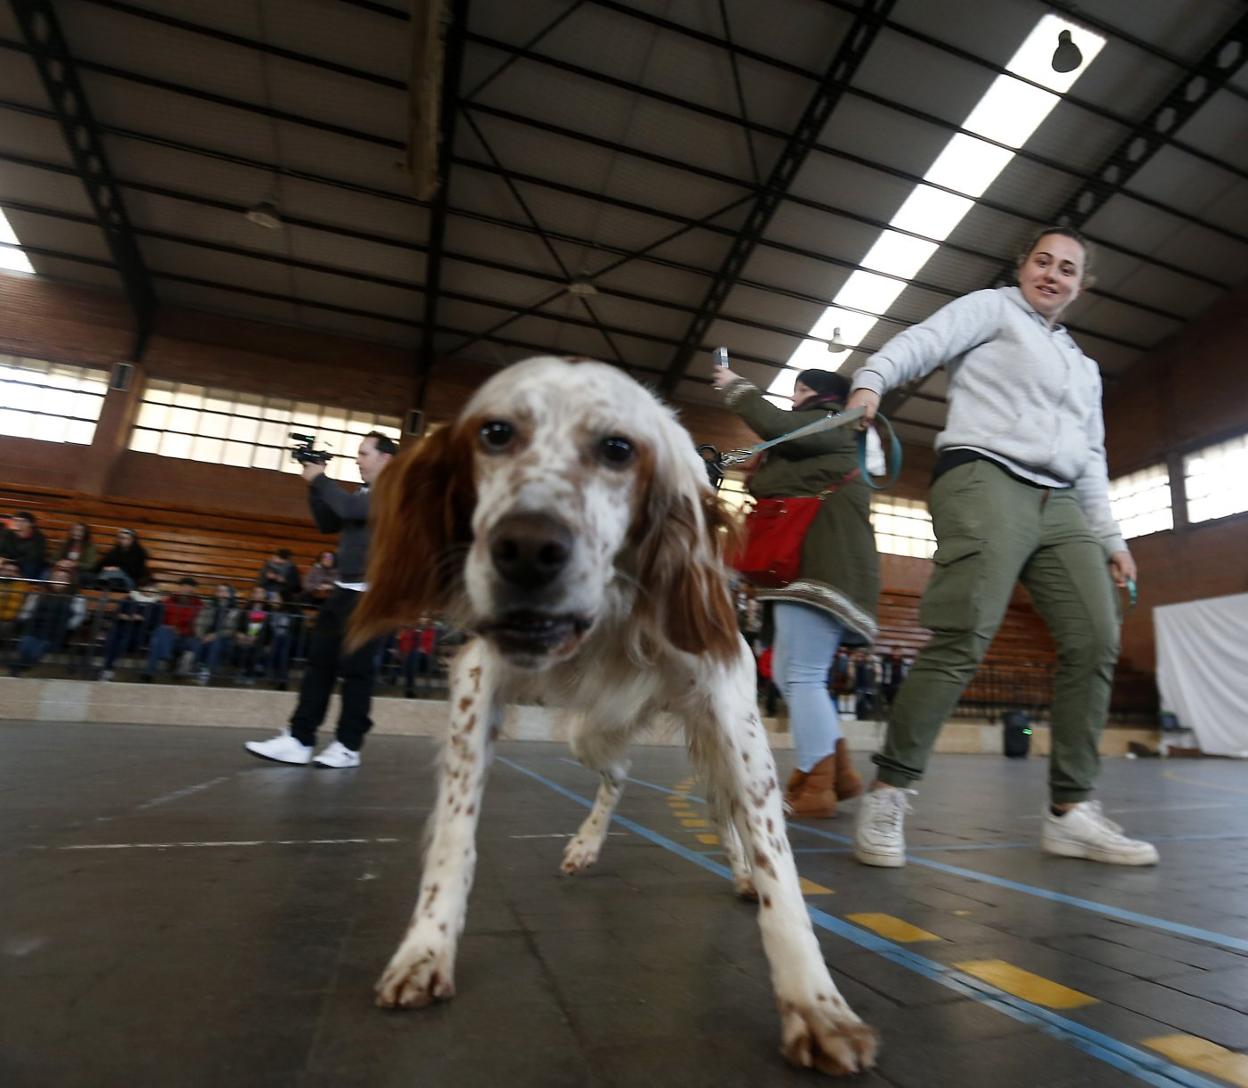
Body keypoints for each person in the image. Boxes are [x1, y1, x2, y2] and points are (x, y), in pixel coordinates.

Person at [845, 225, 1156, 868]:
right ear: (1023, 267)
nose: (1053, 274)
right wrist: (871, 380)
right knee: (965, 634)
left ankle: (1069, 812)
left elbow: (1092, 457)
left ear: (1079, 285)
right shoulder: (990, 308)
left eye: (1067, 269)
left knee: (1097, 639)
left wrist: (1112, 538)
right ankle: (889, 791)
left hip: (1062, 501)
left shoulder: (1084, 367)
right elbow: (925, 342)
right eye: (1043, 261)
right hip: (985, 474)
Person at [711, 364, 879, 817]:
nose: (795, 397)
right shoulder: (825, 437)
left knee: (800, 675)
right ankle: (838, 774)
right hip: (814, 570)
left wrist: (736, 390)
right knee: (794, 674)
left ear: (825, 397)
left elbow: (779, 428)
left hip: (817, 570)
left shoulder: (835, 423)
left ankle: (814, 786)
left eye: (802, 389)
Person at [245, 432, 397, 769]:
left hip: (372, 598)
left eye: (364, 453)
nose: (358, 459)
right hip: (343, 591)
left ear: (386, 459)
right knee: (319, 666)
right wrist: (313, 485)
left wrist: (320, 479)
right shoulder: (364, 491)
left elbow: (346, 507)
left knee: (357, 673)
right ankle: (300, 738)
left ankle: (348, 745)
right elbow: (328, 522)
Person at [9, 568, 86, 675]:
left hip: (55, 632)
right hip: (35, 628)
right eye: (56, 577)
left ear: (69, 581)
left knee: (36, 651)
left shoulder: (76, 596)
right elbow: (28, 609)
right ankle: (21, 666)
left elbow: (79, 615)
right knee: (25, 646)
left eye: (63, 578)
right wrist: (23, 620)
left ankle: (21, 667)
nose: (58, 580)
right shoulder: (40, 592)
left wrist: (67, 627)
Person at [97, 575, 163, 680]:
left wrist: (143, 619)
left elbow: (157, 622)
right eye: (149, 587)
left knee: (120, 640)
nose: (152, 590)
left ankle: (108, 669)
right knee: (114, 639)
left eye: (154, 588)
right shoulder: (130, 598)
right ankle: (107, 670)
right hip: (122, 627)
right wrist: (123, 616)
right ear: (141, 587)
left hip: (141, 633)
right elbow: (116, 613)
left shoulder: (158, 604)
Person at [142, 576, 201, 681]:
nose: (186, 589)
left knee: (157, 640)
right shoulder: (169, 601)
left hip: (185, 637)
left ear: (193, 590)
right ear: (180, 588)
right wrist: (171, 627)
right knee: (159, 635)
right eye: (184, 587)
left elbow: (195, 624)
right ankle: (164, 660)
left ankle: (154, 668)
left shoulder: (198, 604)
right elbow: (160, 618)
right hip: (168, 635)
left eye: (190, 587)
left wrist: (179, 629)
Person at [194, 584, 239, 684]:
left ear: (230, 594)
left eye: (224, 591)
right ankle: (198, 669)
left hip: (224, 638)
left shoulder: (234, 610)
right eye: (219, 591)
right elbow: (199, 622)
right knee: (197, 643)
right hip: (206, 636)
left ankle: (206, 672)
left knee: (216, 644)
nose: (221, 593)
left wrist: (216, 635)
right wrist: (201, 635)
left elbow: (232, 629)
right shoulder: (209, 606)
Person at [1, 512, 47, 579]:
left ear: (31, 524)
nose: (18, 523)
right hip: (9, 561)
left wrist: (13, 563)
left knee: (31, 566)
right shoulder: (7, 533)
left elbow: (34, 557)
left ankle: (24, 582)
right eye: (16, 520)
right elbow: (2, 549)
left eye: (23, 521)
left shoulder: (39, 538)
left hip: (27, 564)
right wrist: (4, 560)